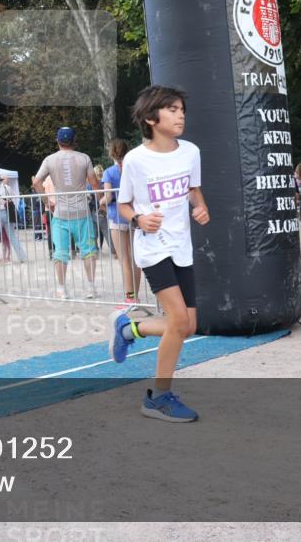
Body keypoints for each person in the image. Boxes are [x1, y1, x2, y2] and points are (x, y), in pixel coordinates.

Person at [109, 85, 210, 422]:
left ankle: (129, 329)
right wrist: (138, 219)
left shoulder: (191, 152)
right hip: (153, 249)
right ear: (151, 119)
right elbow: (122, 205)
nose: (180, 114)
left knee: (189, 325)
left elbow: (194, 190)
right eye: (172, 109)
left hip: (182, 246)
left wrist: (201, 207)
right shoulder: (136, 159)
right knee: (179, 321)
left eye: (182, 109)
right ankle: (158, 397)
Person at [33, 126, 100, 299]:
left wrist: (47, 201)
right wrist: (99, 201)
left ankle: (62, 289)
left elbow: (36, 182)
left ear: (57, 141)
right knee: (88, 250)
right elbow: (93, 183)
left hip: (61, 212)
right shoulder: (84, 158)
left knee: (61, 251)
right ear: (74, 141)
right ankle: (91, 287)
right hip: (81, 211)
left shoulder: (50, 159)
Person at [101, 139, 142, 305]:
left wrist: (101, 201)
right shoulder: (134, 169)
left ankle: (129, 297)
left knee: (124, 258)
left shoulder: (109, 172)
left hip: (116, 216)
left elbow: (108, 196)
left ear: (111, 154)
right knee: (135, 258)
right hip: (133, 215)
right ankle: (136, 296)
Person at [0, 171, 27, 263]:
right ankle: (22, 257)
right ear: (0, 180)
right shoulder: (6, 188)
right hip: (6, 213)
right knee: (12, 236)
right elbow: (12, 197)